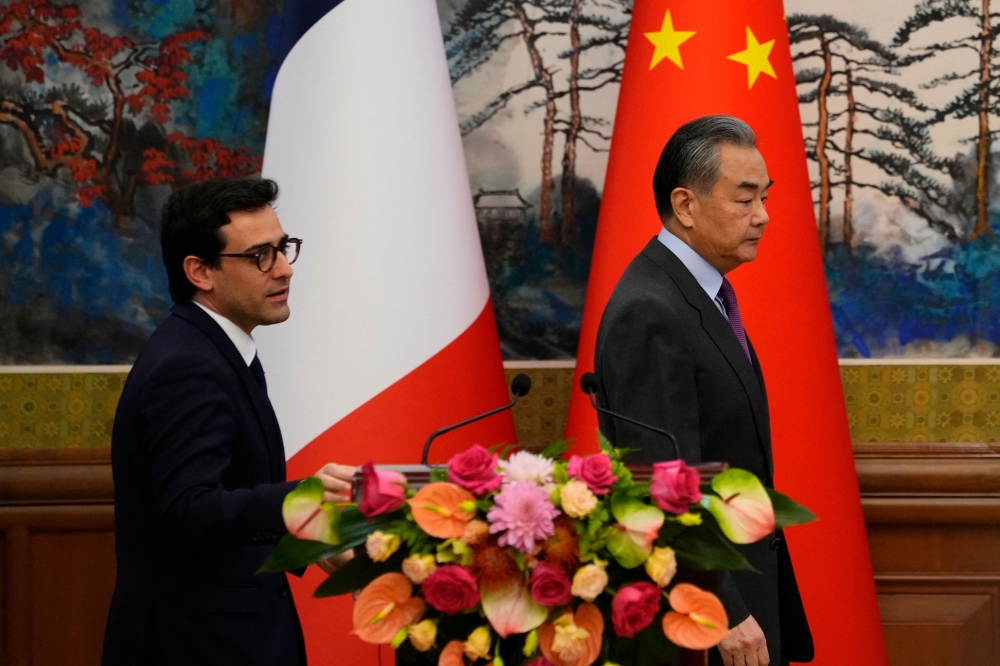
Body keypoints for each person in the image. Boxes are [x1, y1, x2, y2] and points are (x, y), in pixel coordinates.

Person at [102, 177, 355, 666]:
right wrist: (301, 496)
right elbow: (188, 511)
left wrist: (320, 541)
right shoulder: (189, 364)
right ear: (200, 271)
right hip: (197, 647)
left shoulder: (214, 349)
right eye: (260, 255)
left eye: (284, 249)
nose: (283, 269)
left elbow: (232, 493)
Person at [594, 116, 813, 666]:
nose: (763, 216)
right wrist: (721, 610)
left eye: (764, 197)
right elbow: (661, 486)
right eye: (745, 200)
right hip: (701, 623)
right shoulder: (651, 309)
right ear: (686, 206)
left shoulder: (696, 292)